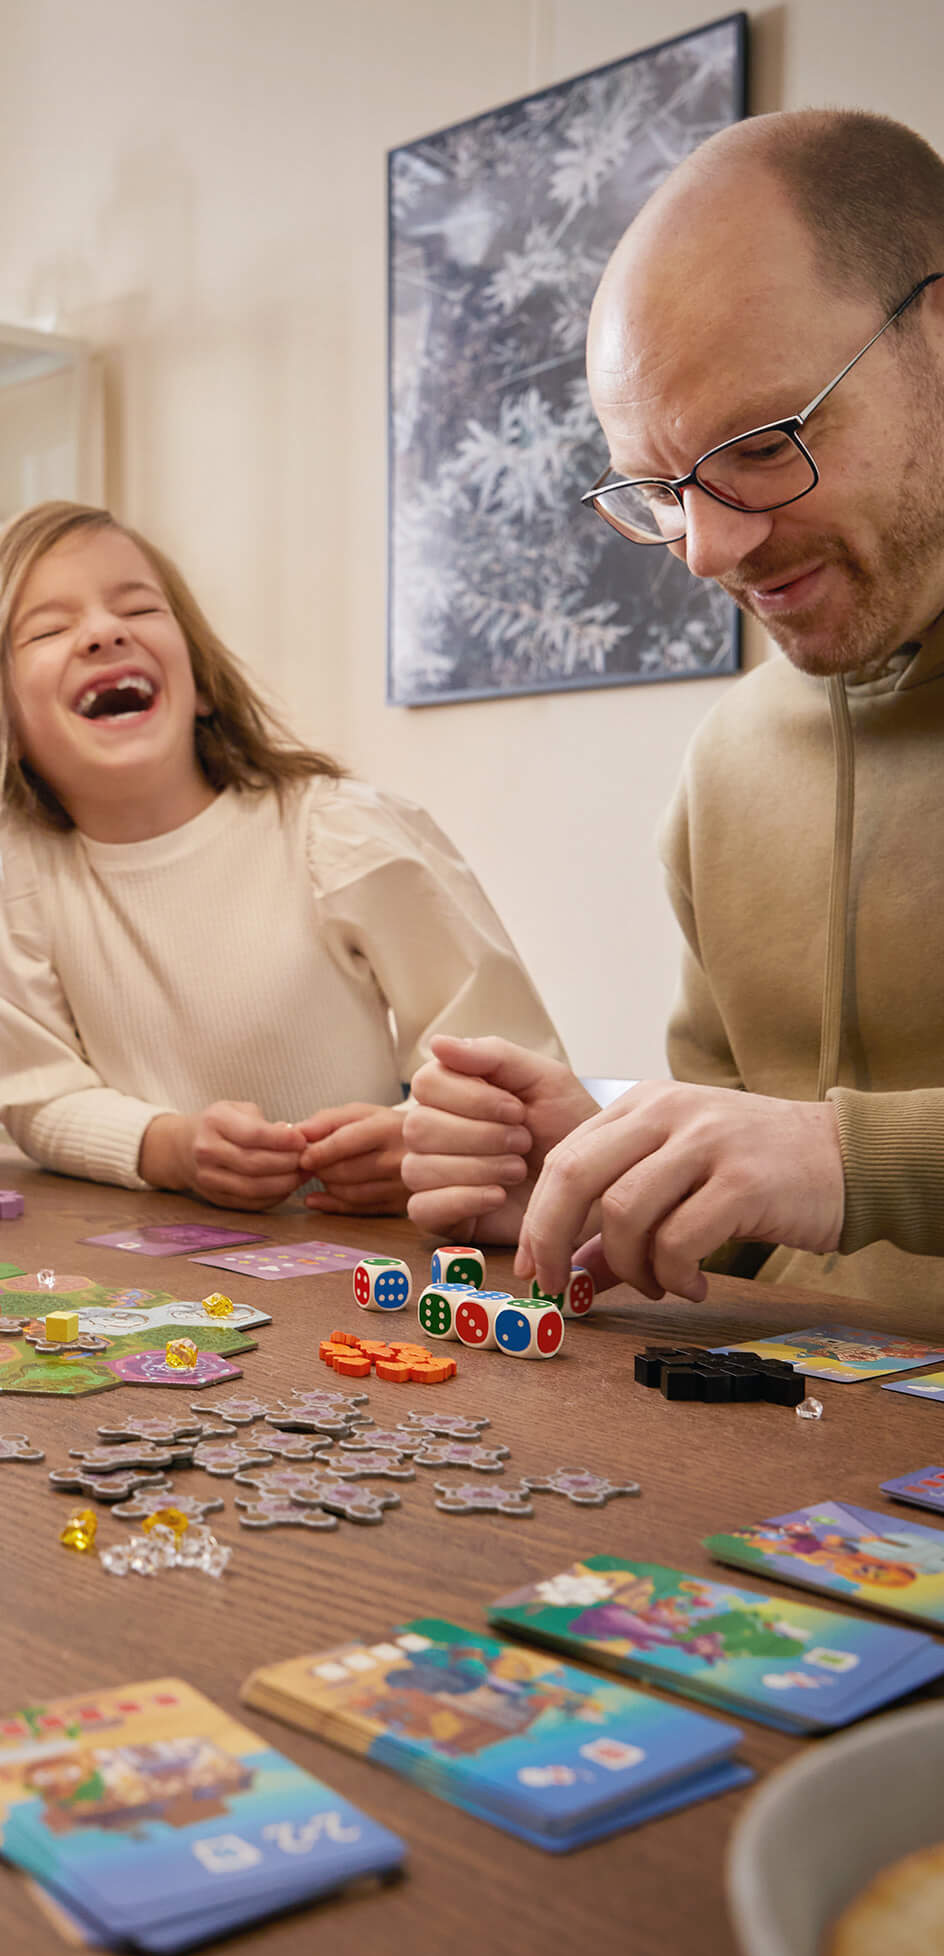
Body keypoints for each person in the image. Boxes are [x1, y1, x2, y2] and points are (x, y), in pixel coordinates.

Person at [401, 109, 944, 1313]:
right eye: (659, 487)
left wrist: (853, 1159)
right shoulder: (728, 766)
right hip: (796, 1467)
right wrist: (607, 1184)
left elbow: (833, 1175)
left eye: (760, 444)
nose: (706, 550)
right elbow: (776, 1231)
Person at [0, 500, 563, 1211]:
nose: (105, 632)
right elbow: (30, 1092)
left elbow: (508, 1065)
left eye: (138, 610)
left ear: (198, 682)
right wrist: (168, 1149)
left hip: (366, 1259)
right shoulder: (0, 869)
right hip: (143, 1277)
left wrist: (416, 1142)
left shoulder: (344, 832)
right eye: (48, 628)